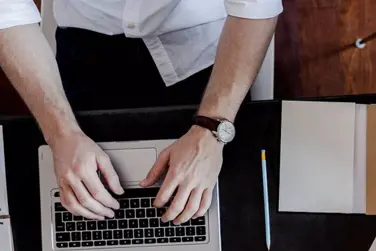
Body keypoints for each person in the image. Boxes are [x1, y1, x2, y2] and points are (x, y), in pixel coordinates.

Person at [0, 0, 281, 224]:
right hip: (85, 55)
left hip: (205, 60)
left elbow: (256, 4)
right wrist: (61, 134)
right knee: (92, 218)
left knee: (222, 223)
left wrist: (212, 128)